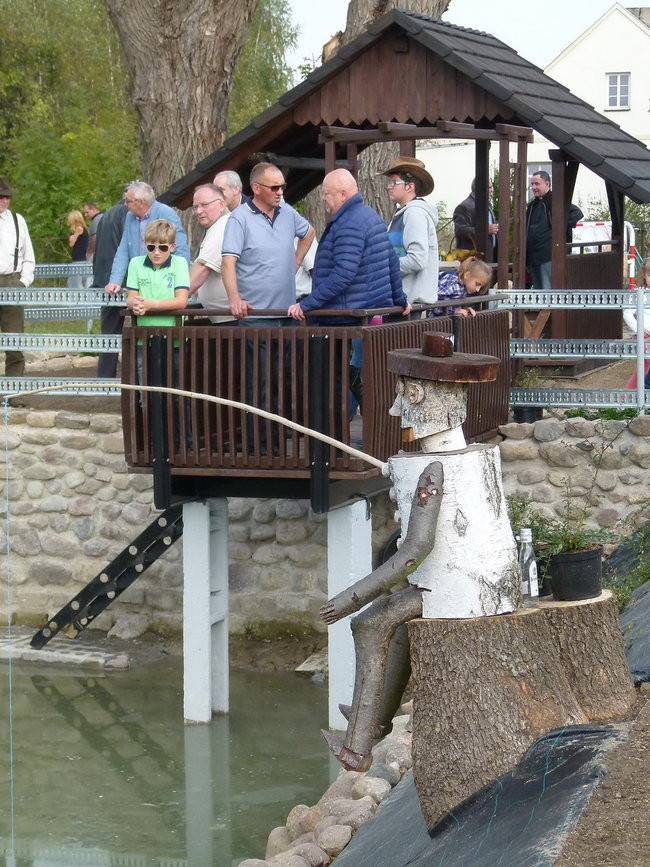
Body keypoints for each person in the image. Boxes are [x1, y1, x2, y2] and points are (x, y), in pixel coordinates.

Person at [288, 169, 410, 416]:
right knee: (352, 375)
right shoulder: (371, 217)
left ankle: (332, 434)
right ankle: (358, 426)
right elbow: (391, 262)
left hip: (342, 314)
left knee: (331, 379)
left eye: (327, 193)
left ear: (343, 194)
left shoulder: (348, 223)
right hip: (365, 311)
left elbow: (344, 273)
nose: (323, 197)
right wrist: (400, 300)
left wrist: (307, 304)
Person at [221, 162, 315, 320]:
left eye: (282, 187)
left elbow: (309, 233)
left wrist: (296, 261)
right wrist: (235, 300)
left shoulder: (288, 212)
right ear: (256, 188)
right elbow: (227, 262)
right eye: (274, 188)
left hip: (288, 313)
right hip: (255, 316)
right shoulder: (239, 218)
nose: (280, 192)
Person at [126, 219, 190, 443]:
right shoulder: (135, 263)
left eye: (162, 247)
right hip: (144, 341)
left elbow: (181, 301)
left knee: (177, 393)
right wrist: (135, 304)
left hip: (173, 340)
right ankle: (154, 442)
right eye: (151, 246)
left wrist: (151, 304)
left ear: (172, 247)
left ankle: (182, 443)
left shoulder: (179, 264)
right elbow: (131, 297)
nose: (156, 252)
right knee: (147, 394)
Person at [105, 181, 190, 294]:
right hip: (141, 281)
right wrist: (115, 281)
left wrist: (179, 283)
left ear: (141, 202)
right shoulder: (130, 217)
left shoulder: (165, 212)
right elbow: (123, 250)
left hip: (164, 282)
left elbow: (180, 248)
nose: (125, 204)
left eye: (128, 201)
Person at [380, 156, 439, 305]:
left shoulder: (414, 213)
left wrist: (383, 266)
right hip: (404, 300)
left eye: (394, 182)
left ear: (410, 187)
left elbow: (417, 260)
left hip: (410, 302)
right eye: (389, 182)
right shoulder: (405, 212)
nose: (389, 187)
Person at [0, 176, 35, 378]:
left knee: (14, 342)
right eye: (1, 197)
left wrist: (23, 282)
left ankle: (14, 390)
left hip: (12, 281)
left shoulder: (17, 220)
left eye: (7, 197)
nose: (5, 200)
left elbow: (28, 256)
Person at [526, 171, 583, 291]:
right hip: (533, 257)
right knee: (538, 291)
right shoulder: (532, 206)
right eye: (532, 184)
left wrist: (557, 228)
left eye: (537, 184)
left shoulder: (556, 201)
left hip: (549, 256)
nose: (533, 187)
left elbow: (577, 213)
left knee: (548, 291)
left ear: (547, 184)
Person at [93, 197, 127, 378]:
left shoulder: (105, 216)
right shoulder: (127, 215)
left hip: (104, 279)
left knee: (108, 333)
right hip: (119, 282)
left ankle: (105, 378)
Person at [188, 184, 233, 322]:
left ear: (222, 204)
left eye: (204, 205)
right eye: (195, 207)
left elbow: (202, 269)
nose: (199, 211)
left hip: (233, 320)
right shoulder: (219, 225)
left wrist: (171, 299)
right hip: (225, 318)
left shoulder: (223, 226)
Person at [453, 179, 499, 262]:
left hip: (490, 257)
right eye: (489, 187)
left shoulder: (487, 204)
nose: (492, 190)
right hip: (474, 260)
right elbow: (460, 230)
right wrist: (485, 230)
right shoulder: (464, 207)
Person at [624, 257, 650, 390]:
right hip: (643, 336)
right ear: (644, 275)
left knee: (643, 370)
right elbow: (627, 314)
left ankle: (628, 396)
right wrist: (640, 329)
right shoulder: (638, 292)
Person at [67, 210, 89, 288]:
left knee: (75, 284)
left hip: (79, 259)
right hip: (82, 259)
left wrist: (71, 238)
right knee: (82, 282)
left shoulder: (79, 229)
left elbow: (71, 243)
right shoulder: (84, 228)